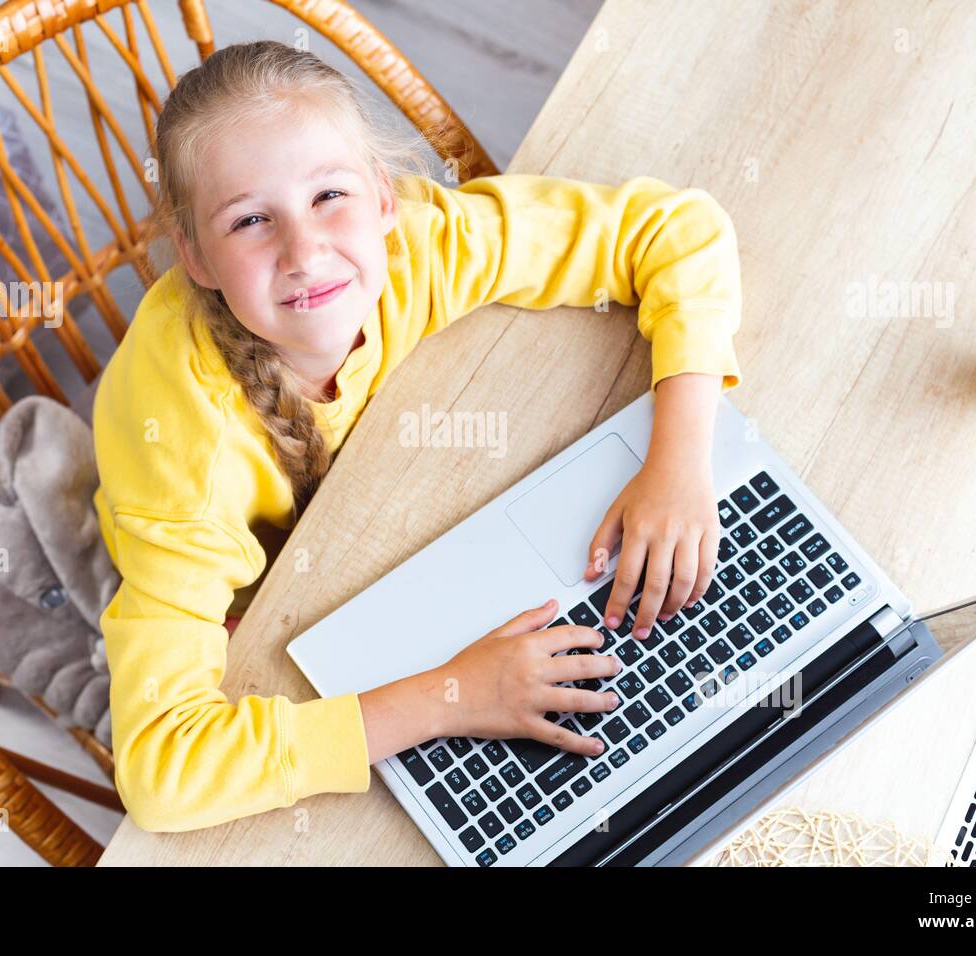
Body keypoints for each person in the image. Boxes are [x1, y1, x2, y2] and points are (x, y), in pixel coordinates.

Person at [92, 40, 744, 831]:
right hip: (238, 577)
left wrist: (678, 462)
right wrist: (454, 696)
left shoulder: (422, 249)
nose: (306, 251)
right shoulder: (184, 459)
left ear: (385, 197)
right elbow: (164, 772)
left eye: (330, 195)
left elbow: (677, 232)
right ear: (193, 255)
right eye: (251, 220)